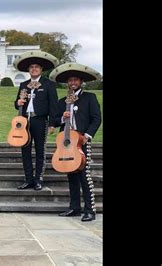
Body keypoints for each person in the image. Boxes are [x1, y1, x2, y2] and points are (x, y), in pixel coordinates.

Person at [49, 62, 102, 222]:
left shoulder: (89, 98)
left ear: (80, 82)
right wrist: (61, 118)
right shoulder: (62, 101)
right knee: (71, 175)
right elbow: (54, 121)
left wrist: (88, 135)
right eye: (70, 80)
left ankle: (90, 210)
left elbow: (97, 119)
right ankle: (74, 208)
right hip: (67, 142)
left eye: (75, 80)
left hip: (82, 140)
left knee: (84, 175)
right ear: (67, 83)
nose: (72, 83)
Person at [13, 51, 59, 190]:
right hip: (25, 121)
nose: (34, 69)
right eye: (31, 67)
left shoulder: (48, 84)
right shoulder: (23, 84)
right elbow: (17, 103)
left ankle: (38, 179)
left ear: (41, 69)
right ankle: (28, 179)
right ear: (28, 69)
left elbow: (54, 105)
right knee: (25, 150)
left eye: (36, 67)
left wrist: (52, 123)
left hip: (40, 120)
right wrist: (18, 103)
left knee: (40, 151)